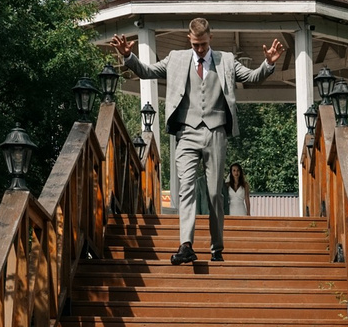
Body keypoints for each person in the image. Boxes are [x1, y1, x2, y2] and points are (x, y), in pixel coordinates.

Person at [106, 18, 285, 266]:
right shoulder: (176, 58)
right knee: (186, 187)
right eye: (195, 44)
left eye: (202, 44)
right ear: (189, 40)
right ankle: (186, 245)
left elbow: (252, 77)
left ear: (210, 38)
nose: (199, 49)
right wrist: (128, 57)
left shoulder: (227, 60)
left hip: (216, 133)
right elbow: (148, 72)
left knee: (214, 194)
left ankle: (216, 247)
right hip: (187, 133)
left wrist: (268, 63)